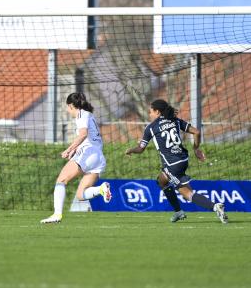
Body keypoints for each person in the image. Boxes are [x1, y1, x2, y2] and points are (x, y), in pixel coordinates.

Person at [125, 99, 228, 224]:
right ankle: (178, 211)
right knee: (161, 180)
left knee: (187, 194)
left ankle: (215, 207)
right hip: (183, 160)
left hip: (172, 165)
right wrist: (196, 149)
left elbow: (141, 149)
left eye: (150, 112)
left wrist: (131, 150)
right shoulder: (176, 121)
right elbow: (196, 132)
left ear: (157, 112)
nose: (149, 114)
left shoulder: (151, 128)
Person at [40, 92, 111, 224]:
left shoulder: (81, 114)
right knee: (80, 194)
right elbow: (89, 138)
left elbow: (83, 134)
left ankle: (57, 214)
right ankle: (101, 189)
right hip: (98, 157)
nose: (68, 110)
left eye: (67, 107)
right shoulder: (89, 115)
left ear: (71, 105)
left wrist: (69, 149)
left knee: (61, 180)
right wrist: (75, 151)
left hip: (88, 153)